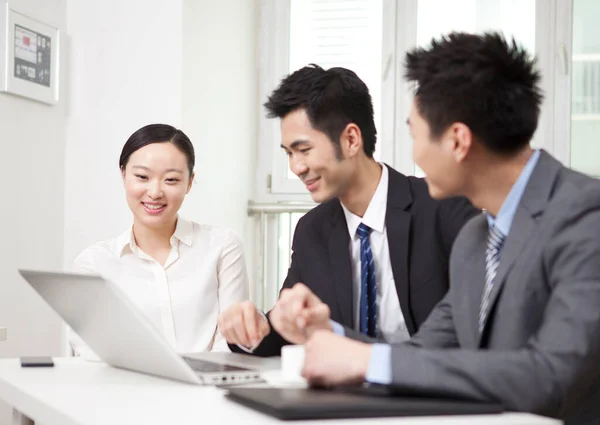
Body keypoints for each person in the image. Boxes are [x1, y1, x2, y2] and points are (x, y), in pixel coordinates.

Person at [279, 33, 600, 424]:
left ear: (458, 141)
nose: (413, 154)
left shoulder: (586, 216)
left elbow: (551, 376)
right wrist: (330, 331)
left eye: (414, 134)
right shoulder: (475, 239)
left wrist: (363, 359)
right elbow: (421, 357)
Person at [218, 64, 479, 356]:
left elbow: (468, 336)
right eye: (288, 153)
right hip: (344, 395)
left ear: (351, 139)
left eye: (304, 150)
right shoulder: (312, 230)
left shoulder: (443, 208)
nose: (296, 167)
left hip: (428, 391)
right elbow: (293, 330)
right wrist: (254, 329)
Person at [70, 124, 249, 357]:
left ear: (189, 182)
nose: (154, 192)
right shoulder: (93, 263)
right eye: (142, 177)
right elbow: (89, 349)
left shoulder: (223, 246)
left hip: (205, 388)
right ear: (124, 175)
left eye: (171, 180)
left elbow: (230, 341)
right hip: (125, 390)